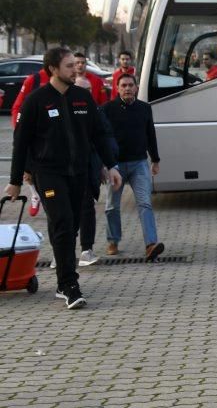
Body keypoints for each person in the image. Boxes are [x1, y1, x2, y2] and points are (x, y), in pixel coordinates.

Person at [5, 47, 122, 309]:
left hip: (78, 173)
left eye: (75, 65)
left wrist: (111, 165)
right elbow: (20, 143)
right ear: (53, 70)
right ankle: (70, 285)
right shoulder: (36, 101)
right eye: (69, 66)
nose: (76, 69)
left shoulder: (82, 97)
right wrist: (15, 180)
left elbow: (100, 134)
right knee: (63, 223)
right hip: (48, 173)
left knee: (71, 226)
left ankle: (62, 281)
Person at [102, 73, 164, 261]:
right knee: (112, 206)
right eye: (123, 85)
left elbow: (150, 133)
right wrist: (104, 164)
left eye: (130, 85)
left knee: (145, 203)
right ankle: (113, 240)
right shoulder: (107, 109)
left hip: (139, 164)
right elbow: (102, 138)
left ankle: (151, 244)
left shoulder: (145, 108)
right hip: (116, 165)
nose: (127, 88)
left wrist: (155, 159)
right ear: (117, 88)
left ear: (136, 88)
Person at [73, 52, 114, 266]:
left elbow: (104, 139)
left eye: (90, 91)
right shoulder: (62, 111)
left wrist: (107, 166)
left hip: (88, 169)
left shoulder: (96, 113)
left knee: (87, 208)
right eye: (83, 91)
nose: (88, 94)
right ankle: (61, 251)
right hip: (65, 171)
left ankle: (86, 250)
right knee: (66, 213)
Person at [10, 65, 50, 217]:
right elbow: (17, 107)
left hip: (49, 136)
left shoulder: (63, 82)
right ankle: (35, 195)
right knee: (27, 171)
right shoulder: (34, 80)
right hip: (30, 134)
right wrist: (19, 128)